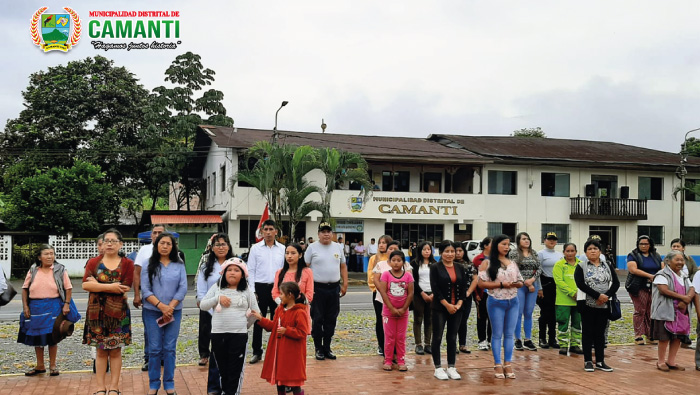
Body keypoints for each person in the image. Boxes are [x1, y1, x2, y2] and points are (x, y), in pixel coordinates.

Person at [82, 229, 134, 395]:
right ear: (102, 244)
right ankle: (100, 388)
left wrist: (97, 284)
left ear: (120, 244)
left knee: (115, 350)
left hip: (118, 314)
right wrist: (111, 286)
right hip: (96, 314)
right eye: (106, 241)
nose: (109, 244)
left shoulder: (127, 263)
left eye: (113, 241)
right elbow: (85, 285)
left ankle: (114, 387)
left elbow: (125, 287)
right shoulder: (93, 262)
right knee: (100, 350)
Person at [200, 258, 260, 395]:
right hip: (218, 335)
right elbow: (203, 305)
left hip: (238, 336)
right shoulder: (217, 288)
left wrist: (245, 326)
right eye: (229, 270)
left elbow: (256, 313)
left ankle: (232, 392)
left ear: (243, 275)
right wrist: (217, 299)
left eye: (237, 270)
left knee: (235, 370)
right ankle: (225, 391)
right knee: (222, 369)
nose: (232, 273)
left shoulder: (246, 291)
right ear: (224, 272)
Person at [18, 244, 78, 377]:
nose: (50, 256)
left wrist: (66, 304)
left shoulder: (60, 270)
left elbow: (68, 288)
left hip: (53, 306)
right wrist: (26, 306)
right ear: (39, 257)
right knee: (37, 337)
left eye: (52, 253)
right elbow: (24, 288)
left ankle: (53, 366)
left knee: (53, 337)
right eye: (46, 254)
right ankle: (40, 366)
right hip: (36, 307)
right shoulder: (33, 270)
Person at [141, 232, 188, 395]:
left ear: (173, 246)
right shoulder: (148, 264)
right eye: (162, 243)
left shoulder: (179, 264)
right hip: (152, 312)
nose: (165, 246)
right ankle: (154, 384)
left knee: (169, 348)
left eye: (169, 243)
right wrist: (162, 307)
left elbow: (183, 288)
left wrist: (171, 307)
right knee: (154, 349)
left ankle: (169, 383)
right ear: (156, 245)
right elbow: (145, 290)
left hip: (174, 313)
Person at [478, 234, 523, 380]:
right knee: (497, 334)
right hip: (496, 301)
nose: (506, 247)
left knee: (509, 334)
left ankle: (507, 363)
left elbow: (520, 281)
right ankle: (497, 363)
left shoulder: (512, 263)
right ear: (496, 245)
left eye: (508, 244)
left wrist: (517, 284)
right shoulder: (487, 263)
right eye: (503, 244)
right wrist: (501, 285)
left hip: (513, 301)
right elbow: (481, 284)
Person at [253, 282, 310, 395]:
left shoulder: (300, 312)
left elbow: (302, 332)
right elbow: (273, 327)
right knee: (280, 382)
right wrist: (261, 319)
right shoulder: (279, 310)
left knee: (294, 382)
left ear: (290, 295)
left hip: (293, 355)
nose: (279, 296)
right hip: (279, 353)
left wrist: (287, 331)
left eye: (282, 294)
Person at [575, 238, 620, 373]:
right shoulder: (581, 266)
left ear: (600, 251)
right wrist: (597, 296)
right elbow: (580, 284)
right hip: (587, 304)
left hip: (604, 305)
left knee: (600, 334)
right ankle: (588, 361)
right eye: (590, 249)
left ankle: (600, 361)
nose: (593, 251)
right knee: (588, 333)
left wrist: (605, 296)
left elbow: (616, 283)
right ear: (585, 252)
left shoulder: (607, 265)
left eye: (595, 248)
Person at [196, 233, 233, 395]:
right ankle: (213, 388)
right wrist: (210, 308)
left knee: (230, 352)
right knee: (216, 351)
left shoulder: (235, 264)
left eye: (224, 244)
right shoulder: (206, 266)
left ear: (229, 246)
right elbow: (201, 291)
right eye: (217, 244)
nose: (221, 247)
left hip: (232, 314)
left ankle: (229, 387)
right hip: (211, 312)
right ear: (212, 247)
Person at [305, 222, 348, 360]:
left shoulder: (337, 247)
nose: (326, 234)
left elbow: (343, 266)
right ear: (318, 234)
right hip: (317, 288)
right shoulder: (312, 248)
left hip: (334, 288)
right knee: (317, 319)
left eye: (328, 231)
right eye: (323, 231)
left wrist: (345, 283)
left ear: (332, 233)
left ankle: (327, 347)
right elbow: (305, 268)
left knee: (331, 318)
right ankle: (318, 348)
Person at [247, 219, 285, 364]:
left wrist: (283, 290)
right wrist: (252, 291)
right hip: (260, 288)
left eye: (271, 229)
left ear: (276, 231)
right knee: (258, 320)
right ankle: (257, 352)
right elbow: (251, 270)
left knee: (278, 320)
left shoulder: (282, 249)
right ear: (262, 231)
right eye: (266, 229)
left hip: (277, 289)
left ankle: (277, 350)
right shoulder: (255, 248)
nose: (268, 232)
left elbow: (284, 270)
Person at [650, 250, 695, 371]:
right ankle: (660, 362)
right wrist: (683, 298)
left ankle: (671, 361)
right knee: (664, 338)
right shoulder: (662, 275)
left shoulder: (683, 275)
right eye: (677, 260)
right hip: (666, 311)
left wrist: (687, 299)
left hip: (681, 311)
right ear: (668, 261)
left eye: (682, 260)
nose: (680, 262)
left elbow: (691, 288)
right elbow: (664, 290)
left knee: (677, 337)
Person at [430, 240, 467, 380]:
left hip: (457, 307)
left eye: (453, 251)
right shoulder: (435, 267)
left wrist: (458, 304)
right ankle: (438, 368)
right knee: (438, 337)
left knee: (452, 337)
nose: (450, 254)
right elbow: (435, 289)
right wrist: (447, 305)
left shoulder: (460, 267)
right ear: (441, 253)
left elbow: (464, 287)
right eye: (447, 251)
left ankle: (451, 366)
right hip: (440, 307)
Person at [132, 224, 165, 372]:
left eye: (160, 232)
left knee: (167, 327)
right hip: (149, 298)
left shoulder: (172, 251)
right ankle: (149, 358)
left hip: (167, 299)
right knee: (150, 330)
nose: (157, 235)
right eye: (154, 233)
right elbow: (137, 273)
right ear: (151, 235)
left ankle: (164, 358)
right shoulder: (144, 250)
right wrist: (137, 295)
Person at [377, 250, 414, 371]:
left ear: (403, 262)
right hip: (388, 312)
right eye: (393, 260)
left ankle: (401, 360)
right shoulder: (386, 275)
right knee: (389, 336)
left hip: (403, 313)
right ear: (389, 262)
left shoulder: (408, 275)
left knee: (401, 337)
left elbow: (410, 293)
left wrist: (404, 308)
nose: (396, 263)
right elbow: (383, 292)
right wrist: (392, 308)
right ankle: (388, 360)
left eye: (399, 260)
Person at [626, 235, 663, 345]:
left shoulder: (655, 256)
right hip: (638, 286)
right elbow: (633, 270)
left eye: (646, 244)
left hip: (653, 286)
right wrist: (650, 276)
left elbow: (663, 268)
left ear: (650, 244)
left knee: (650, 311)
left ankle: (650, 334)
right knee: (640, 310)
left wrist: (656, 277)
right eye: (641, 244)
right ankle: (638, 335)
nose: (643, 246)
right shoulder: (633, 255)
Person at [510, 232, 542, 351]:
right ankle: (517, 339)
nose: (526, 241)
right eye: (523, 239)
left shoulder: (534, 253)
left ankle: (527, 339)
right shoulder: (514, 253)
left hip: (533, 286)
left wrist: (532, 280)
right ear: (518, 241)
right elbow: (513, 269)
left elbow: (539, 268)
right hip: (519, 286)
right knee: (518, 312)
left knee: (529, 312)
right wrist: (525, 282)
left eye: (528, 238)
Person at [272, 243, 314, 328]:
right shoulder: (280, 273)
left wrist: (295, 304)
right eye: (287, 253)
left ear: (300, 255)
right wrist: (283, 303)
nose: (289, 256)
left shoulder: (307, 272)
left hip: (300, 311)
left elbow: (309, 293)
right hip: (283, 310)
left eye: (293, 253)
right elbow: (275, 291)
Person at [552, 243, 583, 356]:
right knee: (563, 322)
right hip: (563, 300)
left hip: (579, 300)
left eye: (572, 251)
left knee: (577, 323)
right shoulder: (559, 265)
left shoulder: (581, 264)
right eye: (567, 251)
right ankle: (563, 345)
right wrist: (571, 293)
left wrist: (579, 294)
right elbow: (559, 281)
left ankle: (575, 344)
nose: (570, 253)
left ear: (576, 251)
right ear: (564, 252)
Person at [366, 235, 392, 356]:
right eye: (379, 243)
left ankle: (392, 345)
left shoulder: (393, 258)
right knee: (380, 319)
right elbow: (371, 276)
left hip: (393, 293)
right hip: (378, 293)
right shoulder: (373, 259)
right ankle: (381, 345)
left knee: (392, 319)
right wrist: (377, 289)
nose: (381, 245)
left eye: (384, 243)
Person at [537, 232, 563, 349]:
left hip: (556, 285)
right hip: (545, 284)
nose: (552, 241)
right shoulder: (540, 254)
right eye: (549, 239)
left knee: (553, 313)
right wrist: (539, 288)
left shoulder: (559, 255)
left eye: (554, 239)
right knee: (545, 313)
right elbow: (537, 273)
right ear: (545, 240)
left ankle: (552, 338)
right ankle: (542, 338)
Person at [411, 241, 436, 355]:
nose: (427, 251)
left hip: (432, 294)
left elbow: (438, 280)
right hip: (419, 295)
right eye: (424, 249)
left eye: (429, 249)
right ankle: (418, 344)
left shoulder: (435, 263)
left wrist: (433, 294)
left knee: (430, 319)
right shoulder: (415, 263)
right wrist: (422, 293)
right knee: (418, 319)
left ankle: (427, 344)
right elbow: (413, 281)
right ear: (420, 251)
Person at [456, 242, 478, 354]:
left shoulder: (469, 264)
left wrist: (469, 292)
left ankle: (462, 344)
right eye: (456, 251)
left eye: (460, 251)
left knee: (463, 320)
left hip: (466, 296)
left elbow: (475, 279)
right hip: (453, 296)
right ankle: (452, 344)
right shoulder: (449, 264)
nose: (458, 253)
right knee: (453, 320)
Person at [473, 237, 492, 351]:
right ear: (485, 245)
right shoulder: (477, 259)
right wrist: (476, 294)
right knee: (481, 316)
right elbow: (474, 278)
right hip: (482, 292)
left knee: (492, 317)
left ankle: (490, 339)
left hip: (494, 293)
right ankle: (482, 340)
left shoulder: (497, 259)